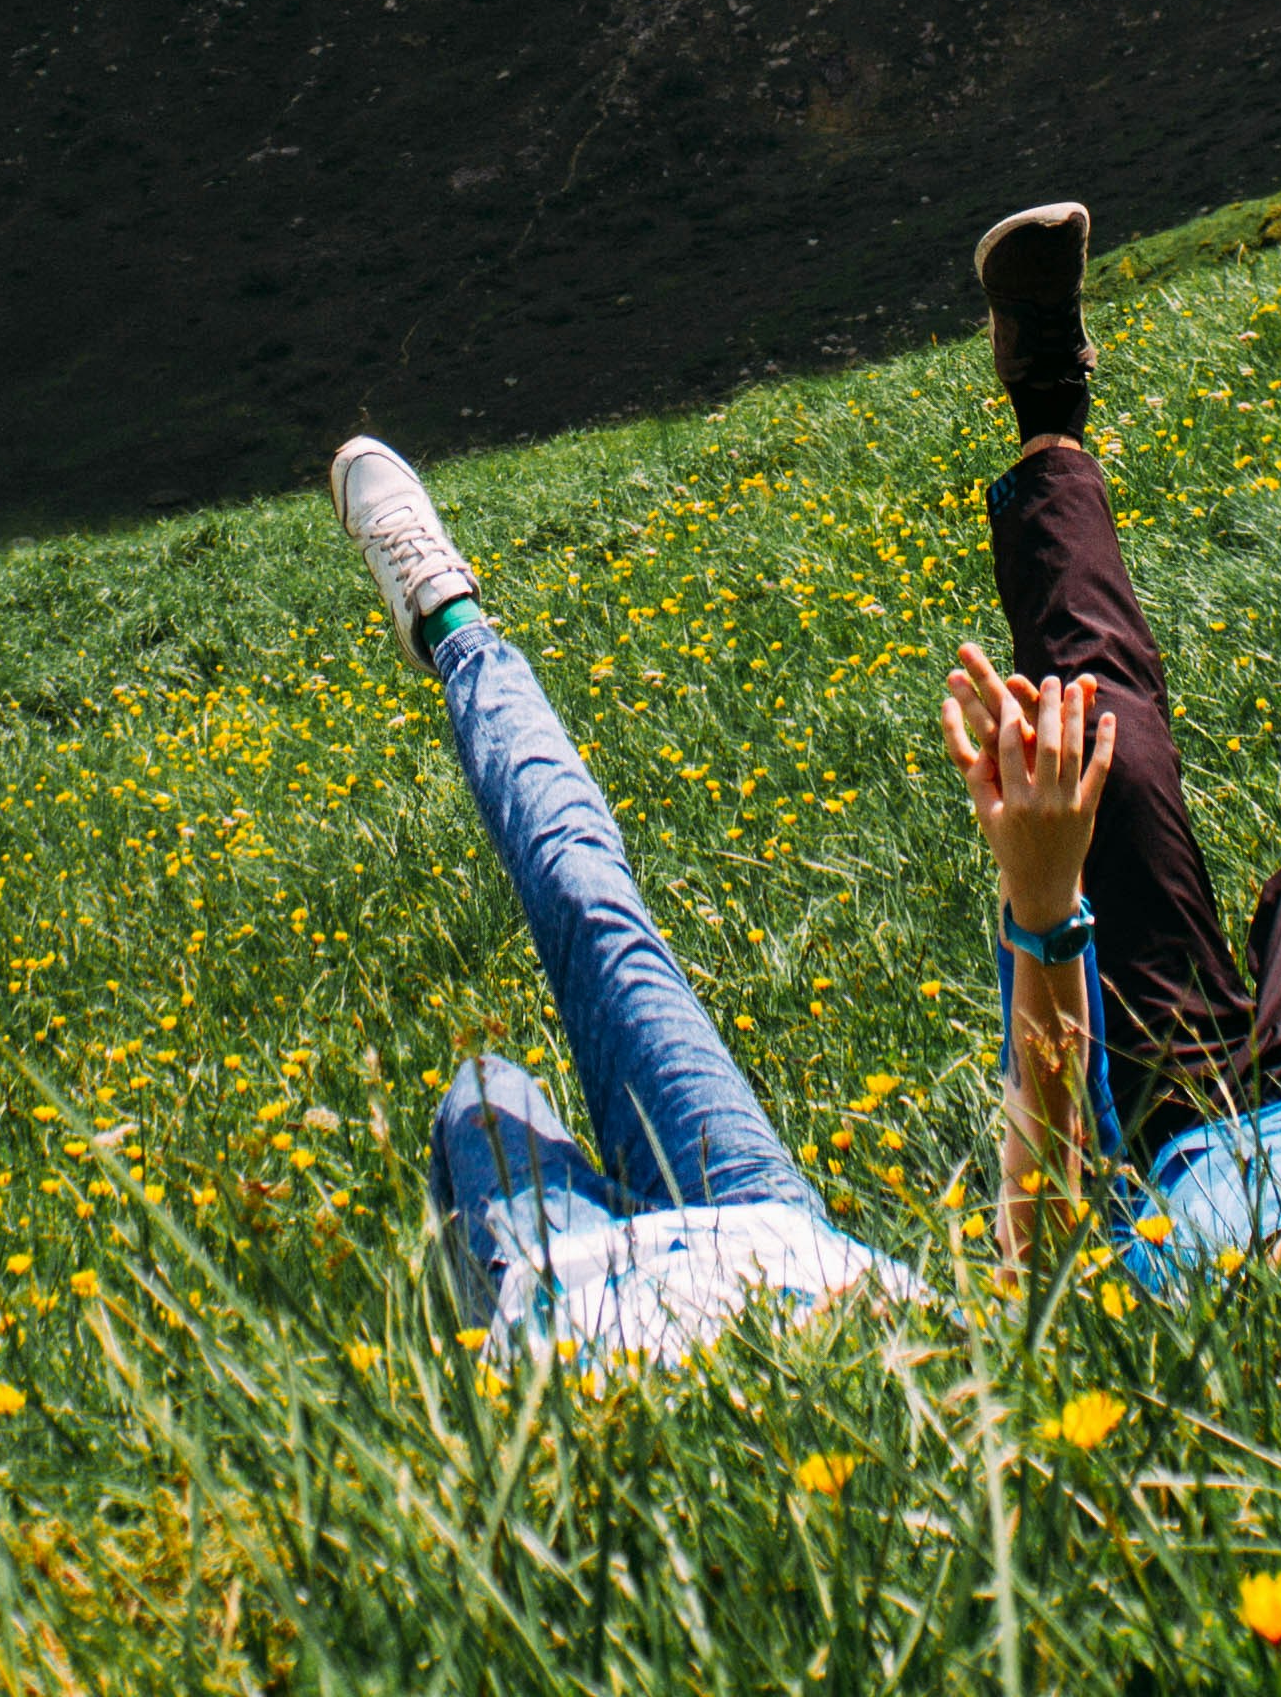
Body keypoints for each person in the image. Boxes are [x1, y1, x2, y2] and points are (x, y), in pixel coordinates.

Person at [936, 201, 1281, 1289]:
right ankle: (1278, 1001)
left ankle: (1048, 400)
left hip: (1175, 1115)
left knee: (1108, 745)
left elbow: (1038, 1245)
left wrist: (1044, 906)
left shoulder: (1182, 1293)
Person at [331, 434, 915, 1362]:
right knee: (587, 897)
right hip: (776, 1239)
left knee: (481, 1091)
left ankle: (484, 1348)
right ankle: (450, 619)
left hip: (578, 1292)